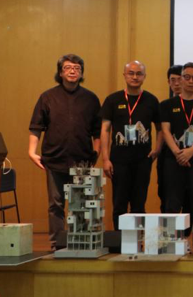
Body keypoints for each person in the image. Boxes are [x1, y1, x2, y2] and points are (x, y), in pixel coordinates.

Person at [28, 54, 101, 249]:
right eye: (68, 67)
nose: (72, 71)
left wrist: (96, 152)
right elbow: (36, 127)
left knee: (81, 205)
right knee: (55, 205)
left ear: (82, 73)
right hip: (54, 159)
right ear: (60, 72)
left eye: (77, 68)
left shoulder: (91, 98)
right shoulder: (47, 97)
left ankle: (80, 242)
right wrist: (31, 151)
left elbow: (98, 131)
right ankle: (57, 243)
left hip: (82, 160)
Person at [160, 62, 193, 253]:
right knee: (172, 202)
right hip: (172, 160)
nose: (191, 81)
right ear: (181, 79)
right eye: (187, 77)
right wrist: (178, 152)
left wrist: (191, 151)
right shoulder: (167, 105)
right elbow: (165, 131)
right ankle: (171, 243)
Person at [99, 61, 160, 230]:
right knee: (119, 203)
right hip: (118, 160)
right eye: (131, 73)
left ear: (144, 76)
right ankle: (120, 238)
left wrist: (157, 149)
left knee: (139, 203)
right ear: (124, 75)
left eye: (139, 73)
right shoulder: (113, 100)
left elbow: (160, 128)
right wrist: (105, 159)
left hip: (143, 160)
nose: (135, 77)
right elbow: (105, 130)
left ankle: (137, 238)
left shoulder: (151, 100)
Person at [158, 64, 183, 211]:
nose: (177, 83)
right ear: (168, 82)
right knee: (166, 196)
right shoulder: (164, 105)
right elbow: (162, 131)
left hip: (190, 155)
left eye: (180, 79)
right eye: (173, 80)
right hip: (168, 156)